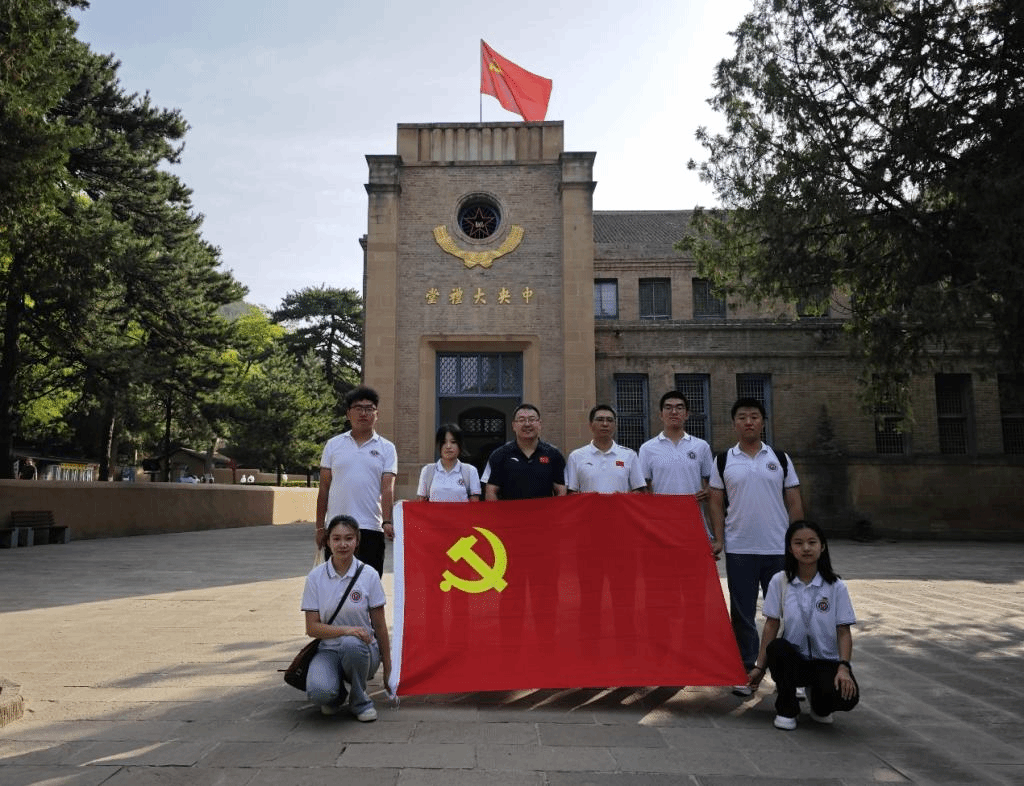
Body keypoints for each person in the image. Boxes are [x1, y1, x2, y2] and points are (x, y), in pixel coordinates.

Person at [709, 397, 804, 695]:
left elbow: (794, 501)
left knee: (789, 612)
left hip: (778, 548)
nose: (748, 421)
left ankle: (790, 675)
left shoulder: (780, 458)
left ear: (763, 422)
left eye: (754, 416)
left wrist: (797, 541)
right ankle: (746, 670)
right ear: (734, 423)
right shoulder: (723, 460)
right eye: (742, 417)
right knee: (742, 613)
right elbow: (715, 502)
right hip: (740, 548)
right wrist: (720, 538)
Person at [746, 520, 859, 730]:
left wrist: (844, 667)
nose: (806, 548)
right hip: (794, 660)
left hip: (825, 661)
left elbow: (843, 631)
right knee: (777, 648)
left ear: (822, 546)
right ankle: (787, 709)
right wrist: (759, 667)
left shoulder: (836, 587)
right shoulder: (780, 581)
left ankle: (819, 702)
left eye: (812, 542)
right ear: (790, 548)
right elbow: (771, 625)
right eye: (798, 543)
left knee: (846, 698)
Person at [300, 515, 392, 721]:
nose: (343, 544)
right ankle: (337, 694)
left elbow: (380, 626)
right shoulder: (315, 578)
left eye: (349, 538)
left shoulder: (369, 575)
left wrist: (388, 669)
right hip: (329, 650)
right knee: (320, 694)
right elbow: (312, 628)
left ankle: (360, 701)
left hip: (363, 651)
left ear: (357, 541)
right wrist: (347, 630)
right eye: (336, 538)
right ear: (328, 541)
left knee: (351, 643)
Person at [316, 386, 397, 577]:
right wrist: (320, 527)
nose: (363, 413)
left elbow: (388, 488)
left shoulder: (387, 448)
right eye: (358, 408)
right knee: (336, 583)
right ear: (348, 414)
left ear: (377, 414)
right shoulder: (333, 445)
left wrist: (387, 521)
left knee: (370, 583)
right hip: (337, 528)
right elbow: (324, 488)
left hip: (371, 527)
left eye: (369, 409)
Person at [638, 391, 714, 536]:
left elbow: (711, 483)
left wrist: (707, 491)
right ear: (661, 415)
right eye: (668, 408)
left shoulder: (701, 446)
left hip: (694, 523)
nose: (674, 412)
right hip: (661, 526)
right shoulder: (647, 448)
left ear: (687, 414)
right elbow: (642, 487)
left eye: (679, 408)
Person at [482, 403, 567, 500]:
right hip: (510, 510)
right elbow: (491, 491)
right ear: (513, 425)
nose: (527, 424)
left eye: (532, 419)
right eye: (521, 420)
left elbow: (561, 490)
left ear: (539, 424)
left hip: (544, 510)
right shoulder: (499, 455)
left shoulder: (554, 454)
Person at [565, 404, 646, 494]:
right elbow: (571, 492)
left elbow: (639, 490)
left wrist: (622, 497)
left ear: (615, 425)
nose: (605, 424)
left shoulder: (630, 455)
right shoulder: (576, 457)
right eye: (600, 420)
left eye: (610, 420)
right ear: (590, 424)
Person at [416, 423, 481, 502]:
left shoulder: (470, 471)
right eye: (444, 442)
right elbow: (421, 503)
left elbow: (474, 504)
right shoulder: (427, 471)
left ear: (460, 445)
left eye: (453, 442)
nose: (448, 446)